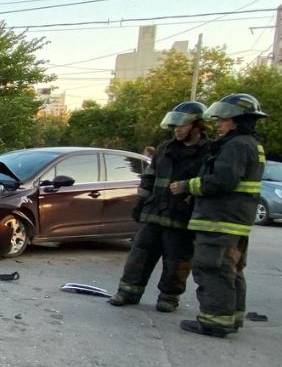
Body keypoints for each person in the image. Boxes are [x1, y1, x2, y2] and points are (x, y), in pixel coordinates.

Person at [169, 93, 267, 338]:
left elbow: (222, 181)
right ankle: (231, 317)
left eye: (223, 120)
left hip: (220, 221)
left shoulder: (236, 145)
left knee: (212, 268)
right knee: (230, 270)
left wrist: (187, 186)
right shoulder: (250, 144)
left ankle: (214, 321)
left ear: (237, 120)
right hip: (234, 221)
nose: (218, 124)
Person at [109, 101, 210, 312]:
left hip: (182, 216)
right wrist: (141, 203)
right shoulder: (165, 148)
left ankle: (169, 297)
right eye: (174, 126)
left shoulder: (208, 152)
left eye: (181, 126)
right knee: (139, 255)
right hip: (154, 213)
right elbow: (149, 177)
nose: (177, 130)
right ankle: (128, 292)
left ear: (197, 125)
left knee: (177, 261)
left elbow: (210, 183)